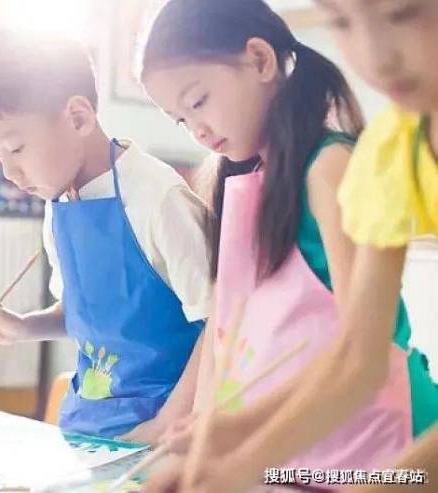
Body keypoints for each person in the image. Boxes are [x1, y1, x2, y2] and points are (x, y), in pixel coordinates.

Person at [138, 0, 434, 491]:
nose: (375, 57)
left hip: (385, 435)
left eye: (199, 101)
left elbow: (367, 360)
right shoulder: (388, 151)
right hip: (315, 448)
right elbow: (353, 359)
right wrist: (228, 435)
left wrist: (243, 454)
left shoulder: (332, 166)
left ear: (260, 60)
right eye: (341, 23)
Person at [0, 30, 210, 440]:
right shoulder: (58, 201)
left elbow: (219, 325)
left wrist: (167, 425)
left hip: (168, 431)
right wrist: (22, 327)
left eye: (16, 148)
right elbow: (86, 314)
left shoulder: (158, 198)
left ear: (78, 118)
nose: (9, 173)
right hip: (89, 426)